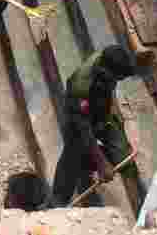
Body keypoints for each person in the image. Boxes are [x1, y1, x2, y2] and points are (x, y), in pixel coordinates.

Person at [51, 45, 145, 213]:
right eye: (117, 78)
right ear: (106, 72)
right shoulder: (81, 85)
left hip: (102, 112)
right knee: (73, 154)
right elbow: (84, 128)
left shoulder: (111, 59)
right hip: (80, 118)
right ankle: (58, 200)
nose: (118, 81)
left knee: (124, 158)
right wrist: (102, 163)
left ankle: (87, 163)